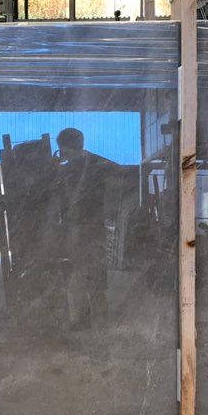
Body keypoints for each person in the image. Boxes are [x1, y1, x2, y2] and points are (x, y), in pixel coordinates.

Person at [54, 128, 118, 328]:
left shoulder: (83, 167)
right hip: (86, 227)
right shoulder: (86, 164)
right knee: (88, 274)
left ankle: (89, 319)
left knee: (84, 274)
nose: (61, 153)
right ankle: (95, 319)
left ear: (69, 148)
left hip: (85, 227)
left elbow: (118, 171)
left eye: (62, 149)